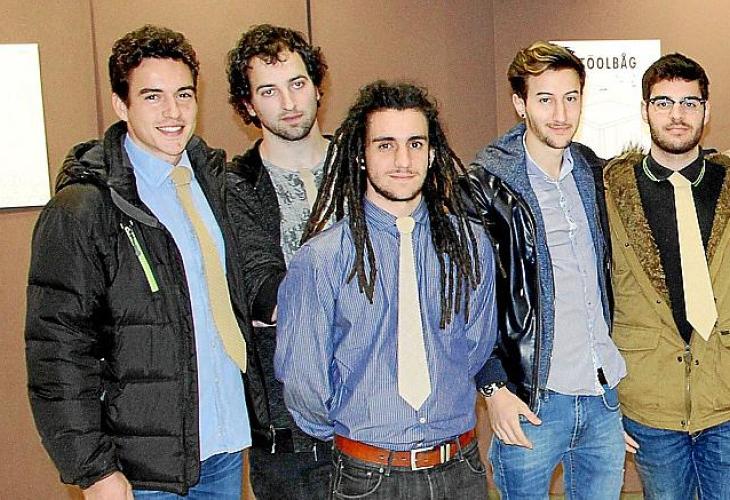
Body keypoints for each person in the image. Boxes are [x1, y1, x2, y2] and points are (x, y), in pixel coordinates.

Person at [25, 25, 272, 499]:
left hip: (223, 447)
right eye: (152, 96)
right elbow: (57, 351)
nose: (173, 112)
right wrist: (93, 470)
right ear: (121, 105)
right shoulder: (84, 209)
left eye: (183, 94)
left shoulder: (214, 185)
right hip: (141, 471)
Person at [274, 81, 497, 499]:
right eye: (385, 145)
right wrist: (360, 427)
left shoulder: (470, 245)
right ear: (361, 155)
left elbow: (475, 347)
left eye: (415, 144)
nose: (403, 160)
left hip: (460, 470)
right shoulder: (322, 258)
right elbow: (304, 384)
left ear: (432, 154)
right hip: (368, 477)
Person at [465, 41, 632, 499]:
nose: (560, 114)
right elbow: (468, 300)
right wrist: (493, 386)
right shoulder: (486, 186)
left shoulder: (591, 172)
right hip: (531, 402)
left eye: (570, 98)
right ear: (520, 104)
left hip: (600, 398)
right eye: (545, 99)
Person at [605, 53, 730, 499]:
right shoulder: (609, 192)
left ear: (706, 112)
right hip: (649, 406)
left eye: (689, 102)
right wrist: (606, 405)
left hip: (725, 401)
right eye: (663, 102)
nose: (677, 115)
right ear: (645, 110)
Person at [225, 24, 332, 498]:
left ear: (317, 86)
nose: (289, 102)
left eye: (297, 83)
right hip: (287, 429)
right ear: (248, 105)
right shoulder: (235, 186)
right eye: (268, 91)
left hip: (379, 414)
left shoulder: (367, 167)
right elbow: (264, 295)